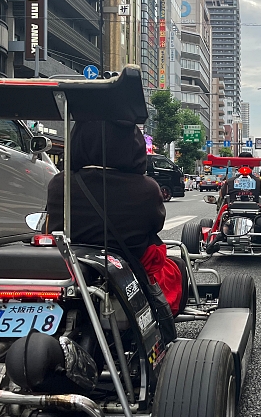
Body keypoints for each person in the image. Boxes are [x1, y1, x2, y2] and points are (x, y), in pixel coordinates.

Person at [46, 120, 184, 315]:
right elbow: (155, 225)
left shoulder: (59, 182)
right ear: (132, 146)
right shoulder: (146, 187)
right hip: (127, 264)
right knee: (171, 266)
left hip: (70, 264)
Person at [218, 158, 261, 224]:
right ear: (253, 167)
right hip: (256, 211)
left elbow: (221, 195)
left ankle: (220, 220)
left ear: (238, 167)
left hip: (232, 211)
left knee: (222, 199)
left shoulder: (229, 182)